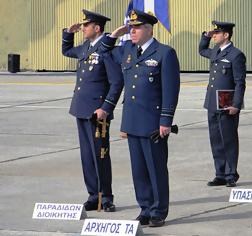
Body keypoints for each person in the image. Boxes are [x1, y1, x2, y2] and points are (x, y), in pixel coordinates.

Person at [107, 9, 180, 227]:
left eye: (137, 27)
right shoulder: (128, 49)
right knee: (138, 170)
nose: (132, 31)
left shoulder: (164, 53)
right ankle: (145, 208)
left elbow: (170, 90)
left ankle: (158, 211)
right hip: (133, 121)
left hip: (152, 123)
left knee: (155, 169)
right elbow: (104, 52)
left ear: (149, 29)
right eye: (131, 27)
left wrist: (165, 121)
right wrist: (113, 36)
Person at [62, 9, 123, 212]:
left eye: (86, 25)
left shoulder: (107, 51)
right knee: (87, 155)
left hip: (98, 112)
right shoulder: (86, 47)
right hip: (81, 108)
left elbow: (116, 82)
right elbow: (67, 51)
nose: (83, 28)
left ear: (97, 28)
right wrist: (67, 34)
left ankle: (106, 197)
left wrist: (106, 107)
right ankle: (92, 195)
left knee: (100, 155)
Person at [199, 21, 246, 187]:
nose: (214, 35)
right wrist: (205, 36)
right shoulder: (215, 52)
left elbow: (240, 82)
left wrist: (236, 104)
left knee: (229, 139)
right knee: (216, 140)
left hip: (227, 104)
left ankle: (231, 173)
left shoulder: (236, 55)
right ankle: (220, 173)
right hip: (212, 102)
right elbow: (202, 50)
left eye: (217, 33)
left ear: (226, 35)